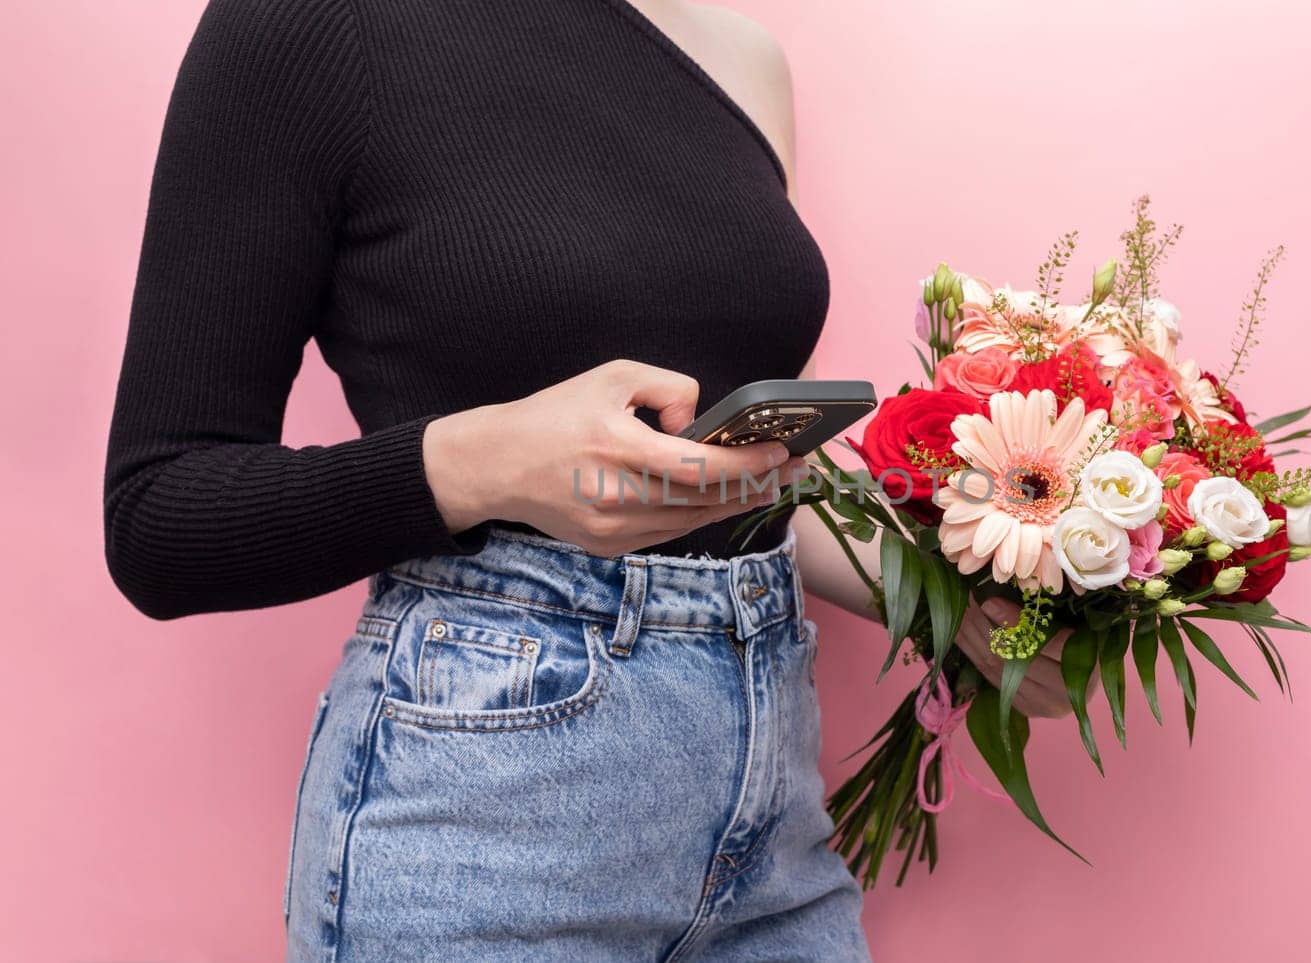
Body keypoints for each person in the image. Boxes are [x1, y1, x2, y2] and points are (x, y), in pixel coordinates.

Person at [105, 0, 1069, 958]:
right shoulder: (311, 23)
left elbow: (749, 478)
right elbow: (159, 511)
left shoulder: (741, 58)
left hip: (771, 831)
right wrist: (486, 461)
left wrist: (970, 611)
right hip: (481, 829)